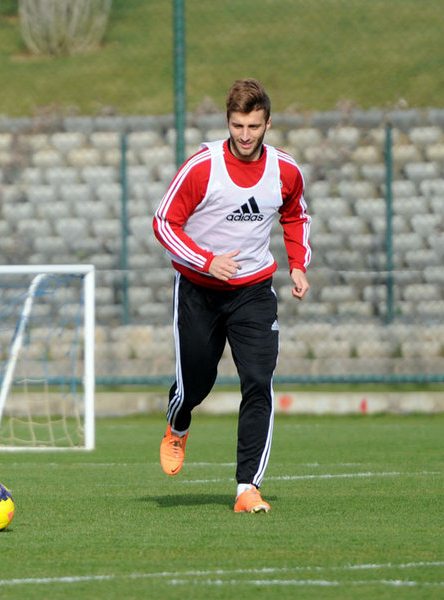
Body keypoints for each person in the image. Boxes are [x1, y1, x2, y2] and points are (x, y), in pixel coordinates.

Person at [152, 78, 311, 513]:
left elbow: (296, 215)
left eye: (253, 126)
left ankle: (247, 488)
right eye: (237, 126)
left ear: (268, 124)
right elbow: (164, 222)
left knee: (258, 381)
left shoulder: (285, 170)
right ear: (227, 121)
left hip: (254, 292)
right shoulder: (202, 167)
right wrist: (207, 261)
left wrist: (298, 263)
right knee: (195, 384)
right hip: (198, 290)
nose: (245, 135)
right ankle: (178, 423)